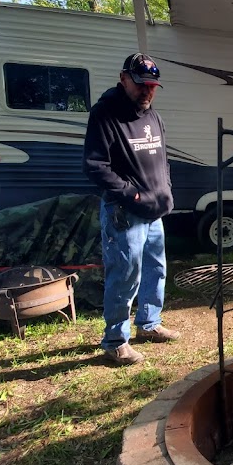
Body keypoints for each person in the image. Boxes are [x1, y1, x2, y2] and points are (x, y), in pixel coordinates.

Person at [83, 53, 178, 364]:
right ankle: (114, 340)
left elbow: (162, 160)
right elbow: (96, 167)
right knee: (125, 275)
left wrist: (165, 190)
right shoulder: (105, 114)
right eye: (141, 85)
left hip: (155, 211)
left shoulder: (155, 117)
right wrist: (132, 195)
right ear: (124, 79)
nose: (147, 91)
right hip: (125, 213)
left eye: (152, 86)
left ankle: (149, 324)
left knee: (156, 269)